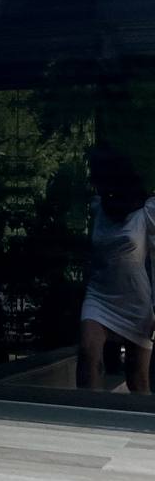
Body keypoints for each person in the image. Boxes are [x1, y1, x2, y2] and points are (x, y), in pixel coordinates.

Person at [77, 145, 155, 393]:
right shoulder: (98, 208)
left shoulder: (145, 212)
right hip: (99, 295)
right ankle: (87, 416)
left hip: (134, 299)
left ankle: (139, 426)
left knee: (137, 377)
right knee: (89, 354)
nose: (95, 183)